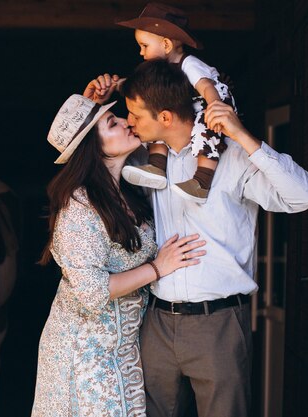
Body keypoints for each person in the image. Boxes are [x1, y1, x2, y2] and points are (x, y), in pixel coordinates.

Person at [84, 60, 308, 417]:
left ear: (165, 117)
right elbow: (90, 154)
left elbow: (302, 196)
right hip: (156, 322)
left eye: (135, 115)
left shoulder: (233, 157)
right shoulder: (143, 159)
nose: (129, 122)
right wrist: (92, 106)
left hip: (217, 325)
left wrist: (244, 136)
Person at [31, 93, 206, 417]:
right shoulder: (79, 207)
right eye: (113, 123)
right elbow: (93, 292)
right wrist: (157, 267)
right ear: (92, 149)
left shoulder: (128, 188)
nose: (127, 122)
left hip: (124, 348)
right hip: (84, 351)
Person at [116, 2, 237, 203]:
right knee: (155, 118)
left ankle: (202, 181)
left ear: (166, 45)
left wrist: (215, 108)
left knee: (204, 130)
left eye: (144, 46)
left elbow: (206, 86)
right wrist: (121, 84)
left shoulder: (189, 64)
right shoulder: (163, 69)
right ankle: (156, 166)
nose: (140, 53)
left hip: (210, 101)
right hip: (187, 104)